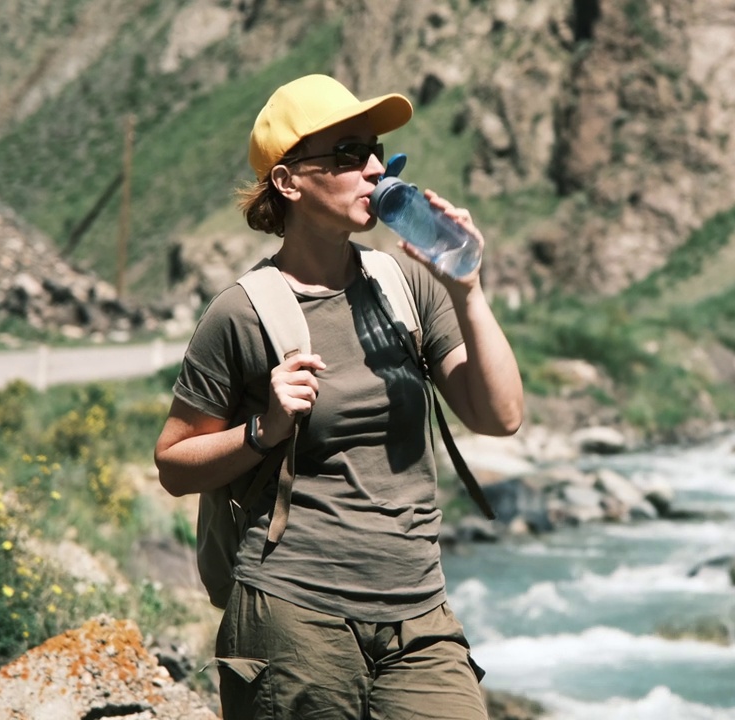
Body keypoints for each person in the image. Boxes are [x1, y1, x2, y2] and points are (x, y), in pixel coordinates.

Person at [153, 74, 523, 720]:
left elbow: (501, 416)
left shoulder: (407, 283)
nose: (375, 169)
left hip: (419, 617)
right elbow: (173, 464)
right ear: (289, 182)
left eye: (377, 152)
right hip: (293, 619)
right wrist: (261, 431)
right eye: (348, 155)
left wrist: (468, 289)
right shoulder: (241, 314)